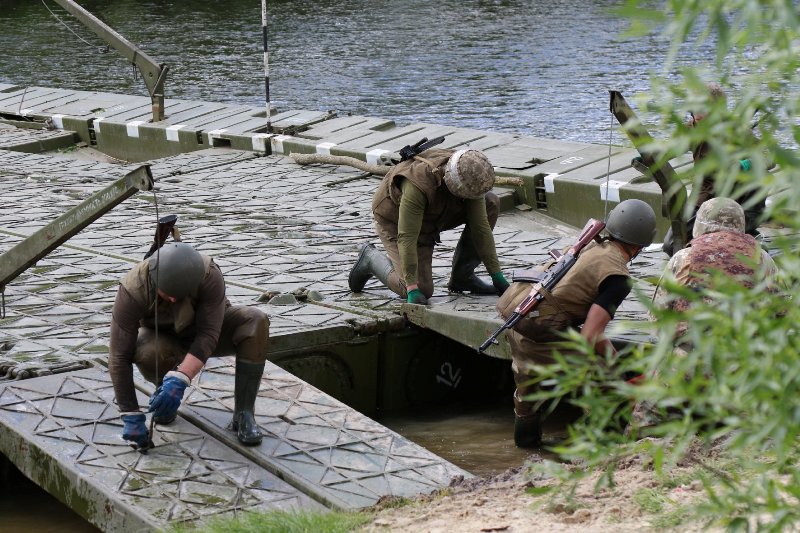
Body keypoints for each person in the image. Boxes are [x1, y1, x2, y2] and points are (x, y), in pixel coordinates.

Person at [495, 199, 657, 448]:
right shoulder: (618, 277)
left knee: (527, 393)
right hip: (545, 328)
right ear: (640, 245)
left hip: (520, 319)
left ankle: (526, 448)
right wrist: (617, 369)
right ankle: (598, 450)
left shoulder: (589, 245)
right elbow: (591, 335)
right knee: (607, 381)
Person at [109, 242, 270, 449]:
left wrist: (181, 378)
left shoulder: (209, 274)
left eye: (180, 295)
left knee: (255, 321)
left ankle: (244, 414)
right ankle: (163, 398)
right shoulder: (133, 290)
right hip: (164, 341)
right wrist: (129, 412)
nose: (174, 299)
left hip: (202, 333)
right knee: (148, 352)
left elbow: (208, 335)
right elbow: (118, 357)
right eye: (168, 294)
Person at [348, 148, 510, 304]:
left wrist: (497, 276)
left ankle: (463, 277)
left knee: (490, 203)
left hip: (433, 214)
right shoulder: (417, 185)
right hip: (396, 222)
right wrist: (411, 287)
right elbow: (407, 237)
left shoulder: (470, 172)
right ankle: (370, 259)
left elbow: (480, 228)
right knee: (422, 290)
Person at [662, 82, 766, 256]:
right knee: (671, 245)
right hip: (703, 199)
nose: (697, 115)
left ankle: (747, 231)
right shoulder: (691, 129)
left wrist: (746, 164)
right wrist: (650, 156)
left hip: (732, 199)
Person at [654, 196, 778, 335]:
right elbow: (781, 311)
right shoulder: (763, 259)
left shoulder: (683, 257)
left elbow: (658, 315)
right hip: (747, 350)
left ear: (700, 223)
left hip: (692, 349)